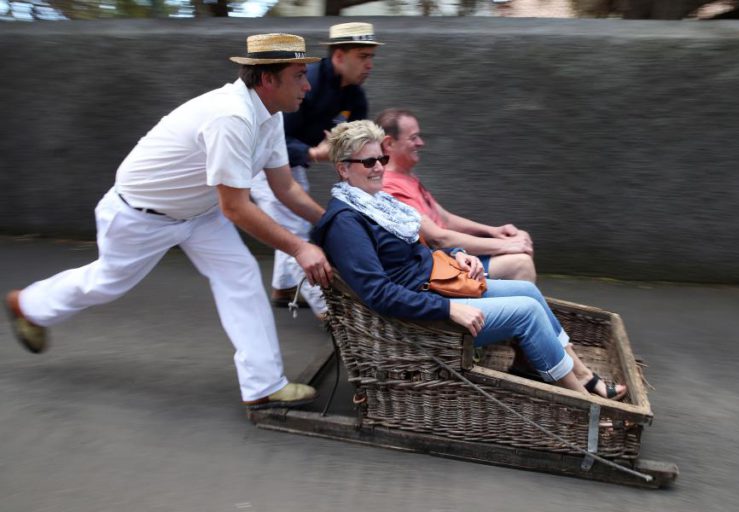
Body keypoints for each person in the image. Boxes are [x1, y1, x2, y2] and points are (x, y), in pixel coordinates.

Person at [4, 33, 334, 412]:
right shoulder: (232, 117)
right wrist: (299, 246)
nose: (308, 85)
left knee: (240, 276)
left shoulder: (270, 116)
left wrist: (330, 223)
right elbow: (237, 209)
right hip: (141, 215)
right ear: (267, 79)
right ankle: (27, 304)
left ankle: (263, 386)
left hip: (200, 213)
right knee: (106, 283)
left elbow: (285, 188)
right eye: (299, 75)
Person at [311, 120, 625, 399]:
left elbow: (417, 251)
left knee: (528, 292)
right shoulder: (345, 222)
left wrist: (456, 254)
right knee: (527, 312)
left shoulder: (377, 203)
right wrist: (448, 308)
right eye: (369, 162)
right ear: (343, 168)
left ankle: (580, 374)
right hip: (419, 317)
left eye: (382, 158)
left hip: (437, 287)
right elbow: (378, 293)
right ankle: (583, 402)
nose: (379, 167)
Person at [251, 22, 381, 317]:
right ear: (338, 56)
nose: (370, 65)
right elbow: (274, 139)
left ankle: (284, 289)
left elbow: (355, 148)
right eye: (363, 57)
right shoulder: (305, 83)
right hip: (259, 162)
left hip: (291, 164)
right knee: (294, 231)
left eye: (372, 57)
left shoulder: (355, 98)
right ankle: (331, 312)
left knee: (292, 222)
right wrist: (312, 152)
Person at [376, 108, 537, 283]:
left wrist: (494, 231)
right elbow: (438, 238)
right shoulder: (388, 187)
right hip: (438, 268)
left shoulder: (407, 176)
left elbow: (446, 219)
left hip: (452, 255)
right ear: (389, 144)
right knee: (521, 262)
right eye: (413, 138)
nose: (421, 143)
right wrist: (506, 246)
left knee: (519, 238)